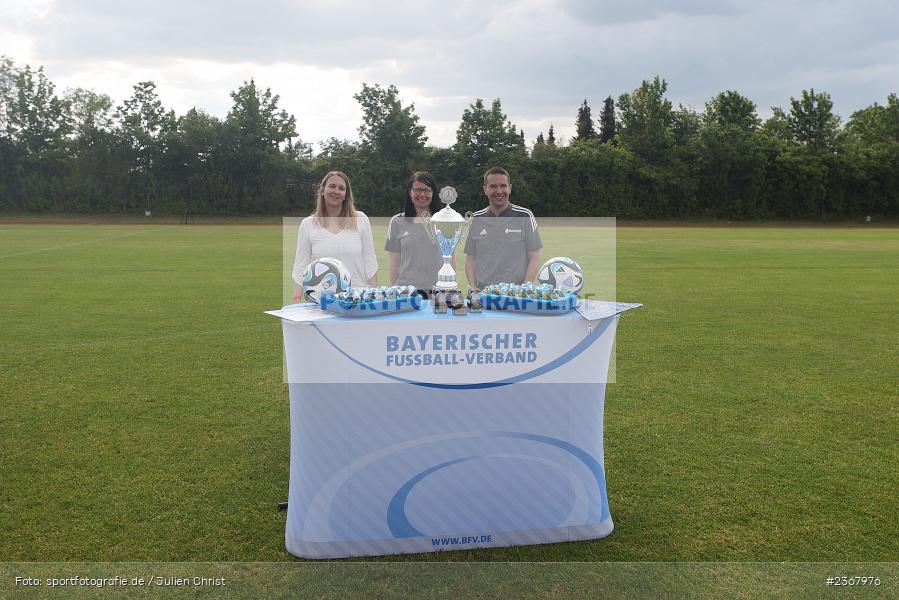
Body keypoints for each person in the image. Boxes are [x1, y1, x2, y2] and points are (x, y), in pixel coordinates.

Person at [292, 171, 377, 299]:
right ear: (322, 190)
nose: (336, 191)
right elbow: (300, 266)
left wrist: (374, 294)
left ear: (346, 195)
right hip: (321, 300)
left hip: (357, 298)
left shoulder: (361, 219)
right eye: (332, 186)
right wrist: (297, 298)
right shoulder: (307, 224)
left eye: (341, 188)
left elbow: (369, 261)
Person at [463, 166, 542, 291]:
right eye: (493, 186)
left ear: (509, 188)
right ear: (485, 190)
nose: (499, 191)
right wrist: (472, 286)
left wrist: (524, 288)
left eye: (503, 186)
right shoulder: (476, 219)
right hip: (484, 293)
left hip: (515, 294)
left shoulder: (525, 216)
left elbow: (534, 256)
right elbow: (471, 258)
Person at [384, 171, 448, 296]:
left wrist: (449, 289)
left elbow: (450, 260)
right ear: (410, 192)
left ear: (433, 193)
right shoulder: (397, 221)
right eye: (418, 190)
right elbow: (394, 265)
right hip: (407, 293)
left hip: (438, 292)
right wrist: (395, 293)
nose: (422, 194)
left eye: (427, 190)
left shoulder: (444, 221)